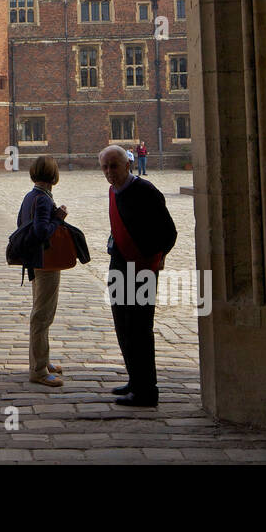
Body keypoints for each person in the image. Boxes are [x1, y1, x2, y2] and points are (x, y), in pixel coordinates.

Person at [99, 144, 176, 407]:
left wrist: (155, 257)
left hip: (141, 270)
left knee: (140, 329)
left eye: (114, 166)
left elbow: (168, 232)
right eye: (105, 167)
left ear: (128, 165)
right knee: (123, 327)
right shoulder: (113, 191)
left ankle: (147, 390)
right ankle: (135, 379)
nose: (110, 172)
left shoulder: (145, 191)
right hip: (119, 267)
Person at [17, 156, 67, 386]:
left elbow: (21, 223)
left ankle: (43, 360)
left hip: (34, 261)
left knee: (42, 314)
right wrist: (58, 219)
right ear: (53, 175)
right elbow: (40, 231)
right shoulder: (44, 200)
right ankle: (37, 370)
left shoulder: (30, 196)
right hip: (46, 260)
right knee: (42, 315)